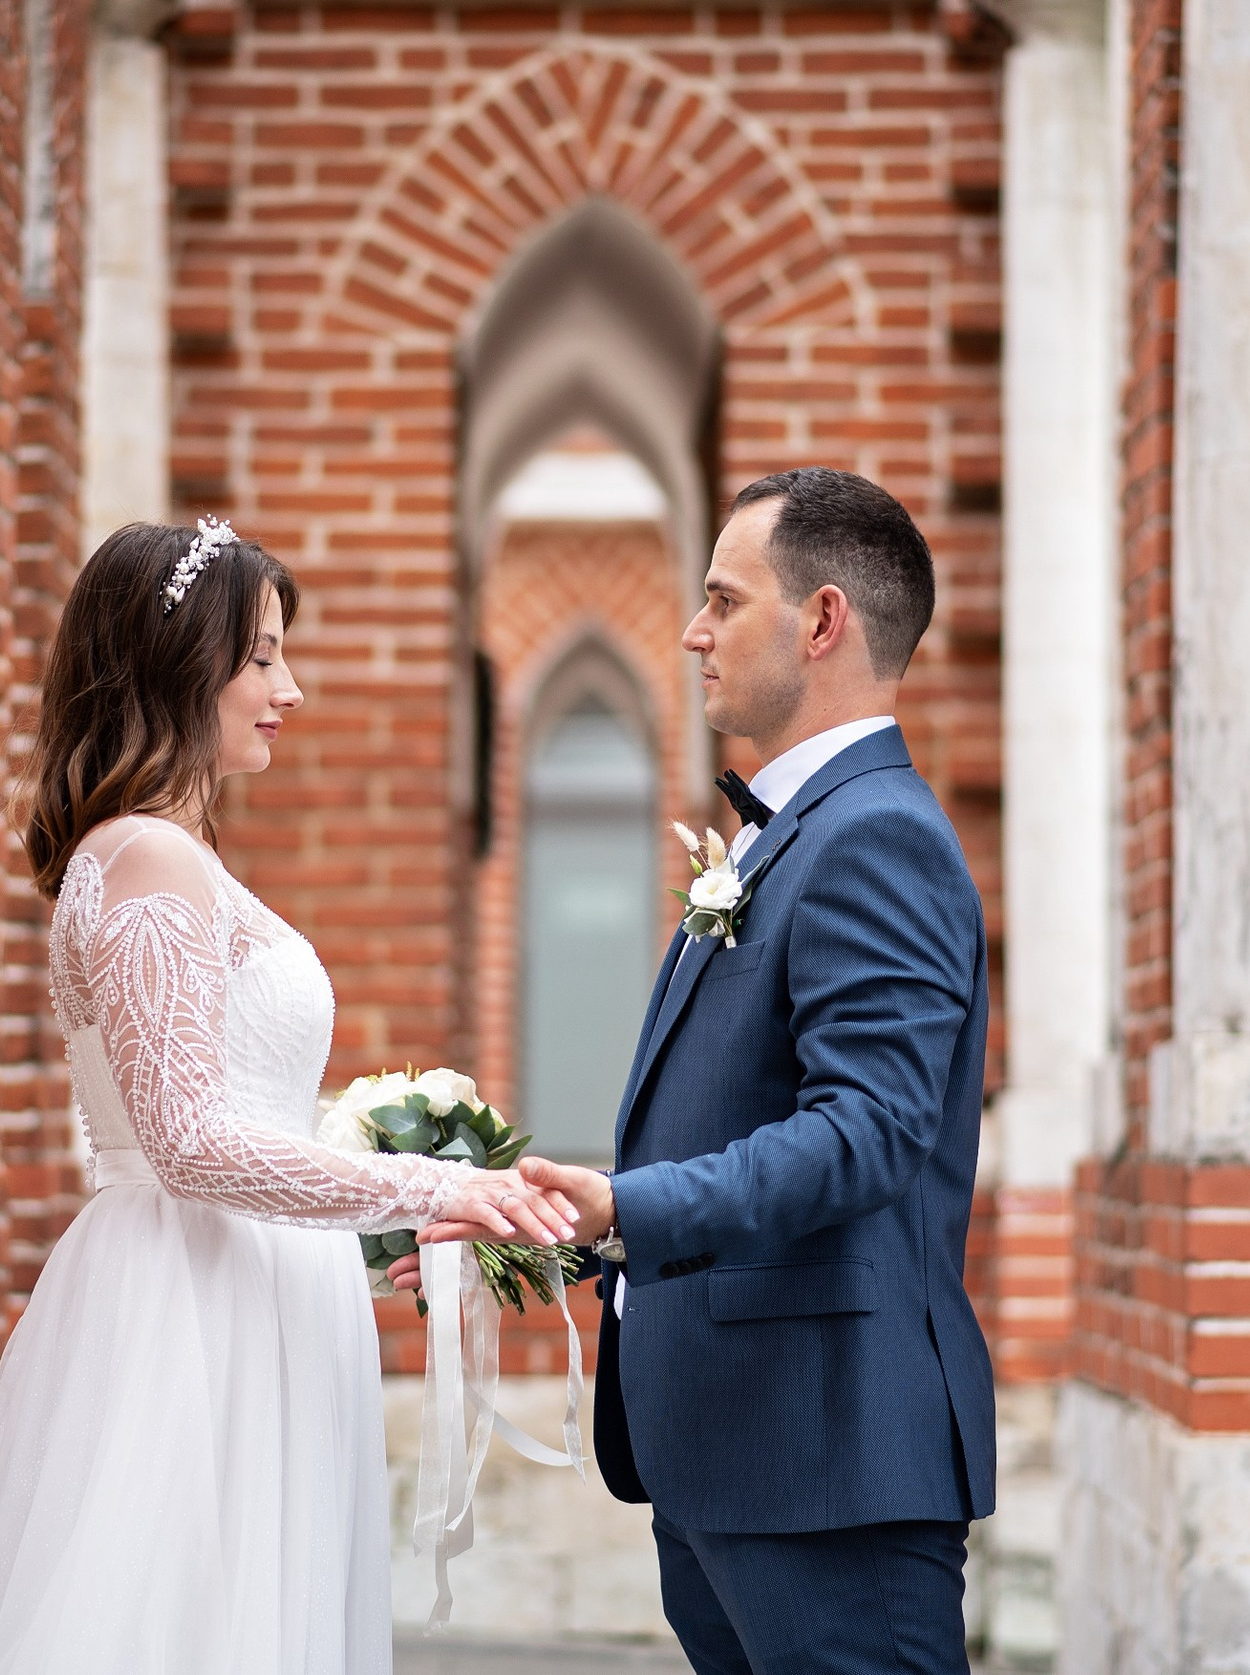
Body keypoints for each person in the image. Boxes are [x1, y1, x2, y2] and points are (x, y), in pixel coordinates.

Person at [0, 519, 575, 1675]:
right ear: (176, 666)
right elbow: (188, 1143)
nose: (290, 689)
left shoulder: (163, 854)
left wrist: (372, 1208)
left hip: (238, 1287)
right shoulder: (147, 857)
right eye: (262, 657)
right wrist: (434, 1183)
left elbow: (232, 1106)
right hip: (189, 1312)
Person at [410, 467, 995, 1674]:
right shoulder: (779, 837)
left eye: (724, 600)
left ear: (822, 621)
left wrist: (627, 1204)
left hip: (829, 1464)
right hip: (728, 1459)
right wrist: (538, 1234)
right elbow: (725, 1118)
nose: (692, 630)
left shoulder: (877, 835)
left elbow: (867, 1132)